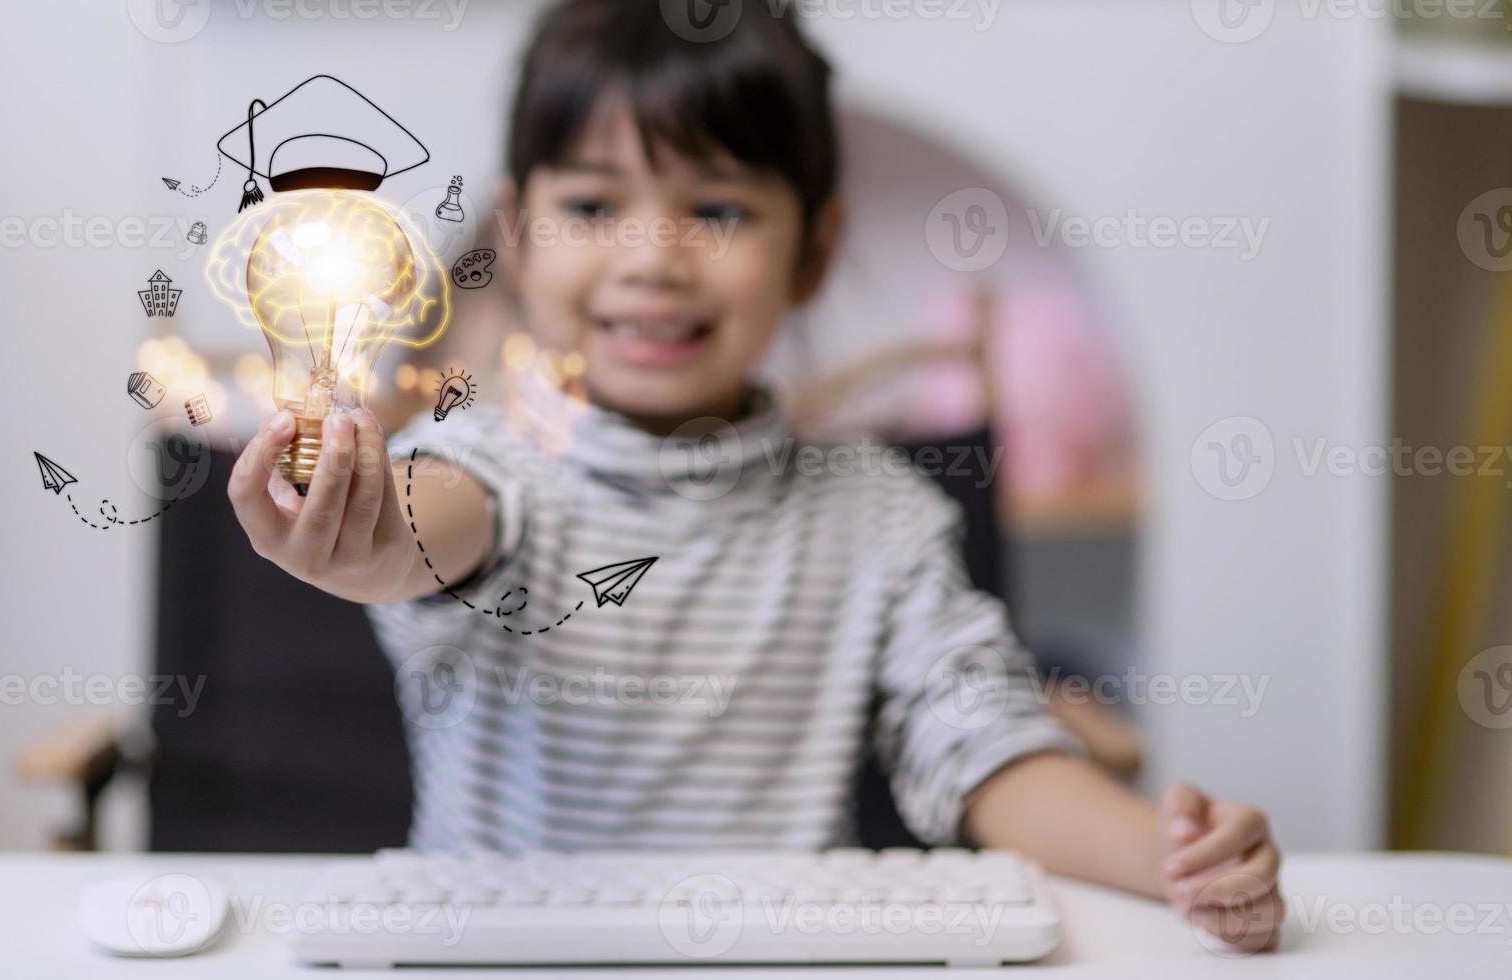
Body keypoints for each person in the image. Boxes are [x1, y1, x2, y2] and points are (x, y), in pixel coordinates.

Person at [228, 0, 1282, 953]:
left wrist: (1168, 853)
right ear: (517, 235)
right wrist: (352, 518)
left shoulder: (881, 519)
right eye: (593, 208)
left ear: (814, 248)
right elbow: (420, 530)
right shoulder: (493, 464)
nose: (653, 257)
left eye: (719, 211)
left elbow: (989, 752)